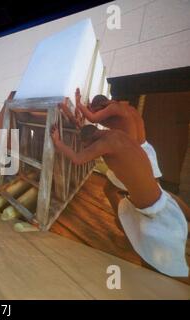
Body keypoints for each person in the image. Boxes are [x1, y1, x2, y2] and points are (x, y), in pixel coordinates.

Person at [50, 119, 189, 277]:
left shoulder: (104, 144)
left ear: (91, 140)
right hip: (157, 193)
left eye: (86, 146)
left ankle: (151, 274)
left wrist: (58, 142)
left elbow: (77, 159)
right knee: (124, 209)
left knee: (150, 252)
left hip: (150, 208)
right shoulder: (116, 134)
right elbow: (86, 130)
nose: (87, 149)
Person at [74, 88, 162, 191]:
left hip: (134, 153)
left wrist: (78, 103)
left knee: (151, 193)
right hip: (146, 149)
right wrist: (84, 112)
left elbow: (93, 118)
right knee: (155, 191)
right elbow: (99, 119)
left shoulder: (114, 108)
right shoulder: (129, 110)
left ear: (100, 107)